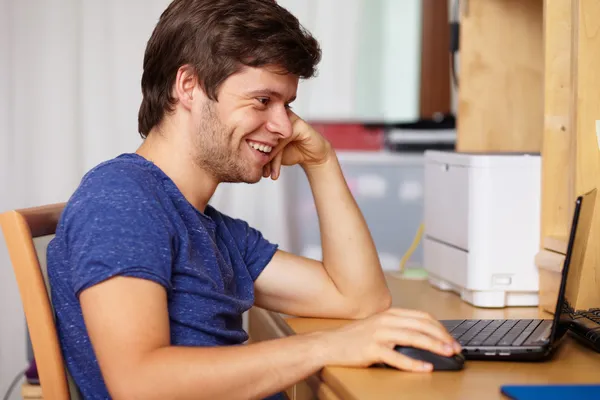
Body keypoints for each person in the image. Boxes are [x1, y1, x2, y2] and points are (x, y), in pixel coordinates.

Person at [47, 0, 462, 399]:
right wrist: (325, 347)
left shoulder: (210, 228)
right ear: (188, 86)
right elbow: (139, 384)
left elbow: (360, 300)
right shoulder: (122, 200)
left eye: (288, 105)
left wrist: (322, 161)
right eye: (263, 101)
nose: (284, 126)